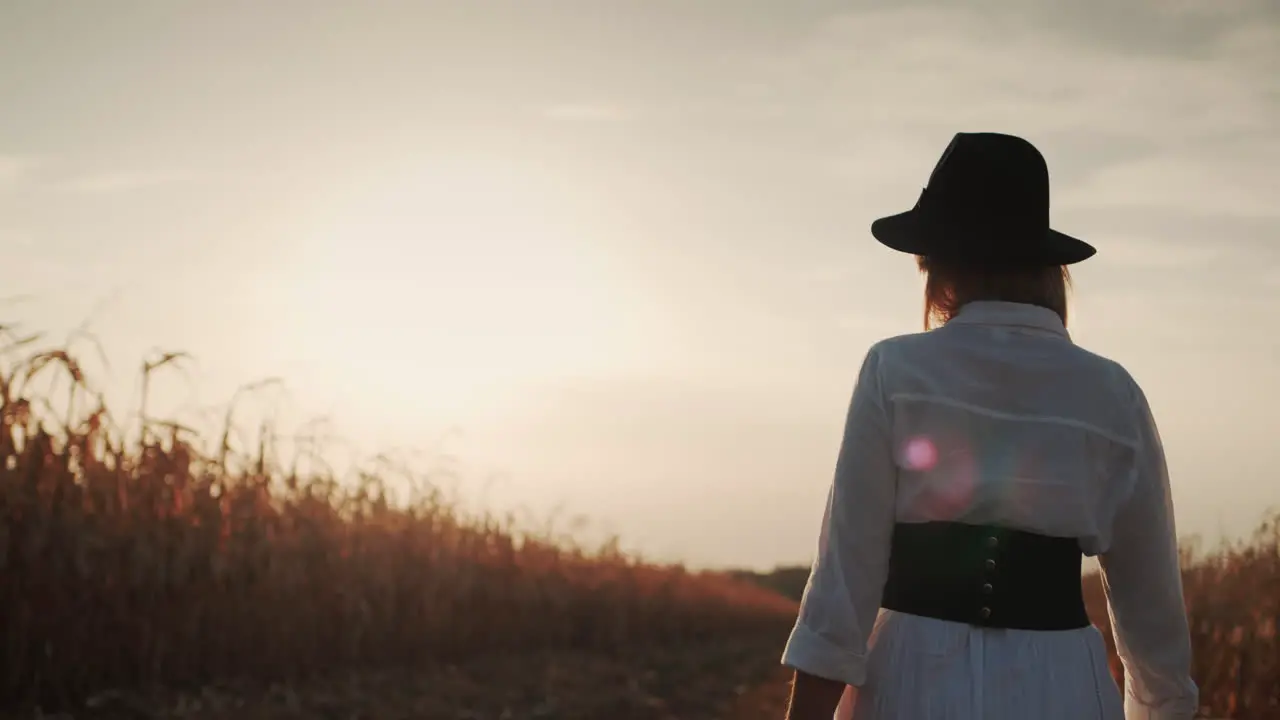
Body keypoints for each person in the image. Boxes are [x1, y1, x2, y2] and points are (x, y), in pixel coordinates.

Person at [780, 133, 1198, 720]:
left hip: (911, 685)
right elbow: (1152, 612)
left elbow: (843, 583)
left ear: (939, 264)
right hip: (1064, 689)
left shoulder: (895, 370)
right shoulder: (1113, 394)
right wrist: (1162, 709)